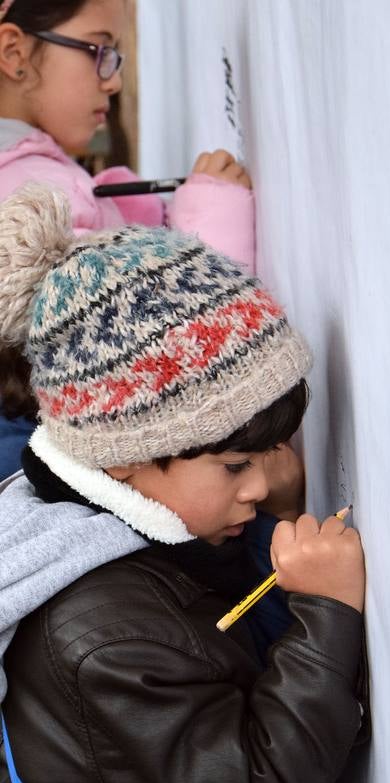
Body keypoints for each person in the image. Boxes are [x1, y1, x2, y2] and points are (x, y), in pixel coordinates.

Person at [0, 185, 366, 783]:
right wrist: (327, 616)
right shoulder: (103, 636)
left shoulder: (120, 533)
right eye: (237, 465)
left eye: (273, 451)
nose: (265, 483)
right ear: (129, 455)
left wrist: (272, 518)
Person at [0, 0, 256, 478]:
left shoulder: (29, 172)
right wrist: (212, 224)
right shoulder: (35, 191)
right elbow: (151, 351)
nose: (113, 80)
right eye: (99, 50)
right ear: (15, 53)